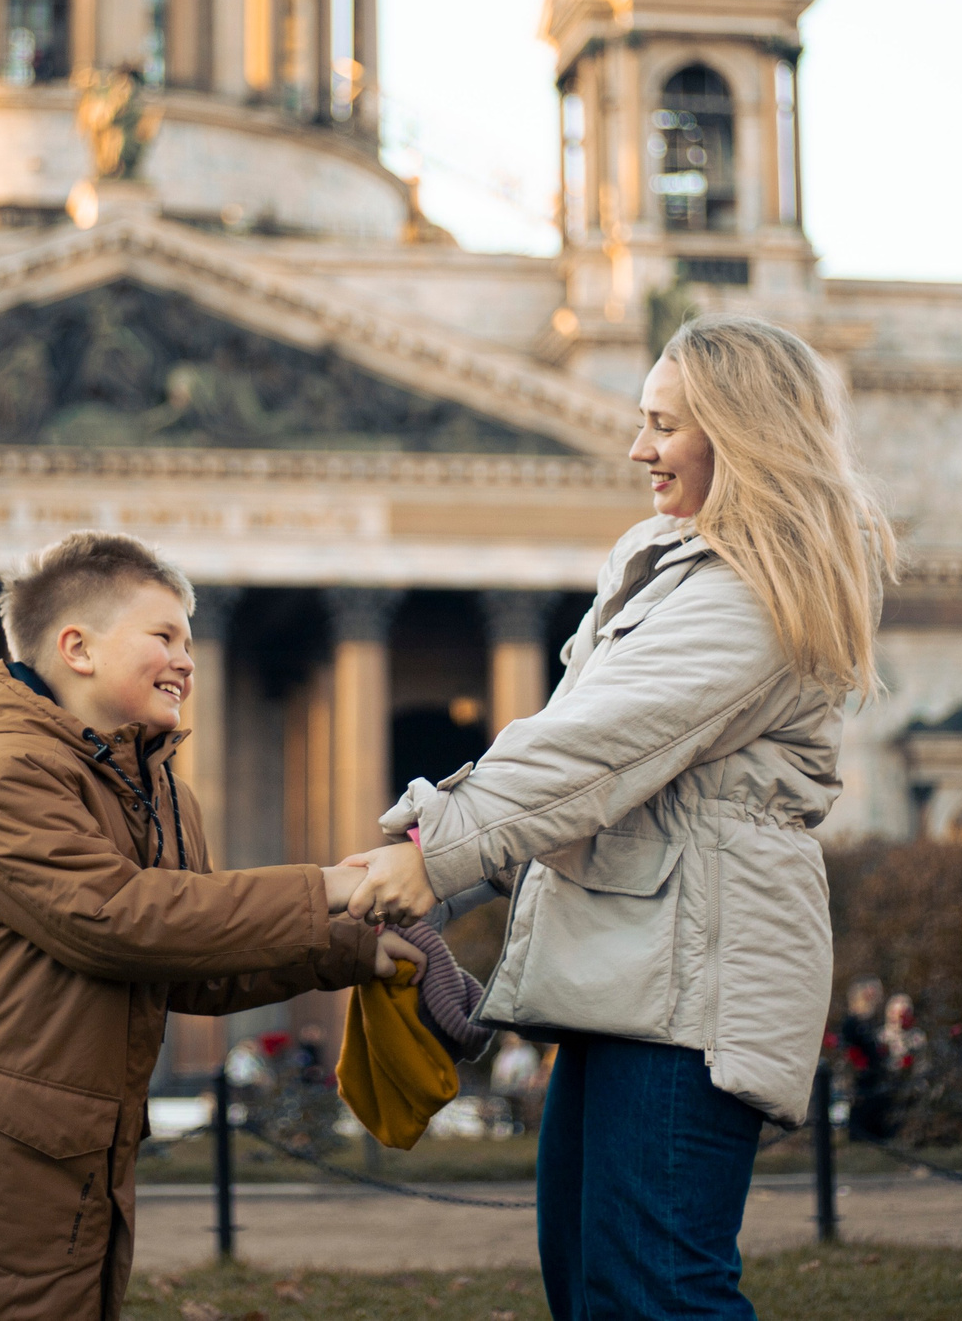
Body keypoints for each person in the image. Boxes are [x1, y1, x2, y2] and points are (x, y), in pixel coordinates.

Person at [345, 315, 894, 1321]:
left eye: (664, 425)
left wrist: (435, 851)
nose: (639, 449)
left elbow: (590, 751)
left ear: (742, 434)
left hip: (688, 985)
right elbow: (572, 769)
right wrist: (435, 872)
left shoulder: (754, 590)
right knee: (595, 1286)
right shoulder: (668, 565)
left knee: (655, 1295)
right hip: (628, 970)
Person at [0, 530, 415, 1321]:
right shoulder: (7, 766)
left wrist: (353, 947)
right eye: (164, 636)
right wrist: (330, 886)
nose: (187, 660)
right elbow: (117, 917)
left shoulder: (165, 797)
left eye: (190, 641)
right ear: (78, 648)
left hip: (57, 1165)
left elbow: (192, 959)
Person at [839, 976, 895, 1142]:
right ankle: (859, 1136)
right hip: (861, 1075)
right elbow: (848, 1047)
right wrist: (858, 1064)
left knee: (877, 1104)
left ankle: (876, 1135)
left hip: (875, 1073)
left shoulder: (873, 1021)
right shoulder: (853, 1022)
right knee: (862, 1105)